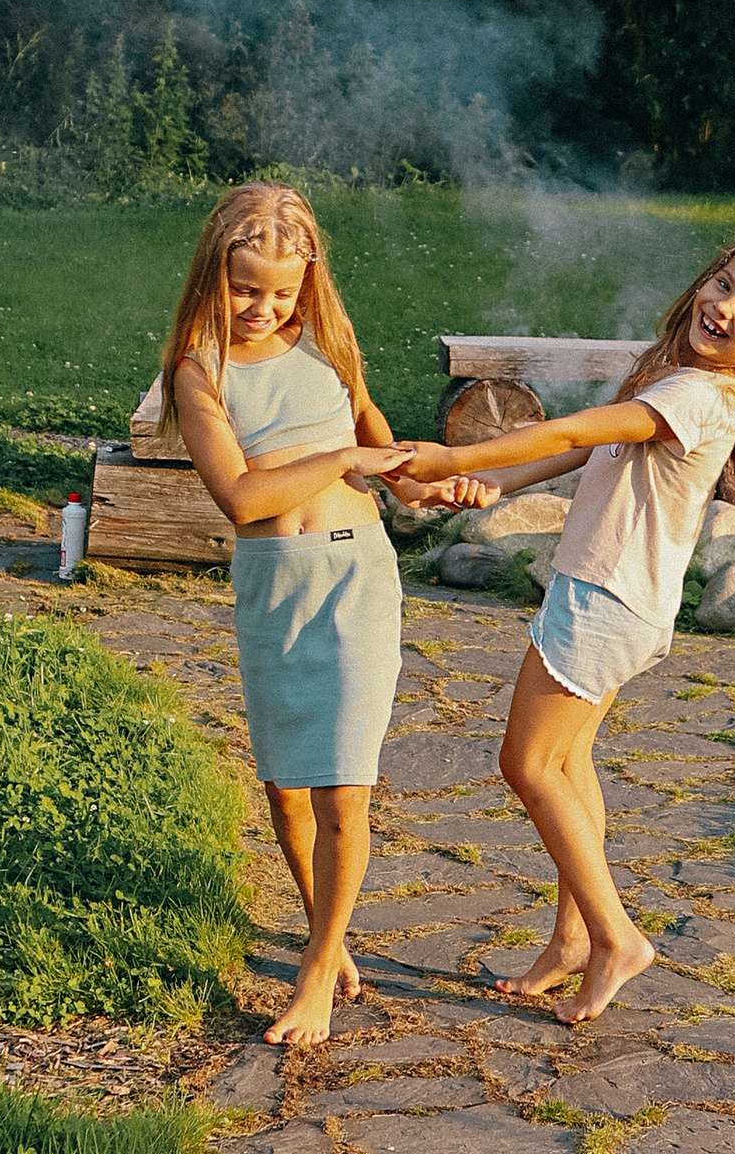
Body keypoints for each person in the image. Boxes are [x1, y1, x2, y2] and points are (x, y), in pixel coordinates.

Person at [397, 233, 735, 1026]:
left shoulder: (703, 397)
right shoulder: (685, 380)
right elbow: (579, 455)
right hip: (620, 597)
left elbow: (569, 431)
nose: (722, 307)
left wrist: (443, 455)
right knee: (567, 764)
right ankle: (574, 938)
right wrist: (480, 483)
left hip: (605, 598)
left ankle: (615, 937)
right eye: (723, 282)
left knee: (527, 762)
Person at [164, 180, 491, 1047]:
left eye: (282, 292)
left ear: (308, 283)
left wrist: (437, 483)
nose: (263, 308)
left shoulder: (332, 350)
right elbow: (240, 495)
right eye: (245, 288)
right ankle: (327, 930)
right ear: (212, 273)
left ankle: (316, 971)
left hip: (357, 581)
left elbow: (395, 467)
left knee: (345, 785)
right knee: (285, 786)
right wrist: (342, 452)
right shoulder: (200, 372)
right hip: (275, 582)